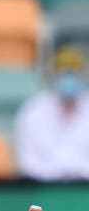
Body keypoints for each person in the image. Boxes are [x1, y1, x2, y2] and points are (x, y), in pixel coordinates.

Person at [14, 46, 89, 180]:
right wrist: (60, 174)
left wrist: (75, 173)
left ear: (84, 75)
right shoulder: (32, 111)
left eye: (74, 73)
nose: (68, 78)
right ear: (52, 76)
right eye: (63, 73)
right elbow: (27, 162)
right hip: (43, 189)